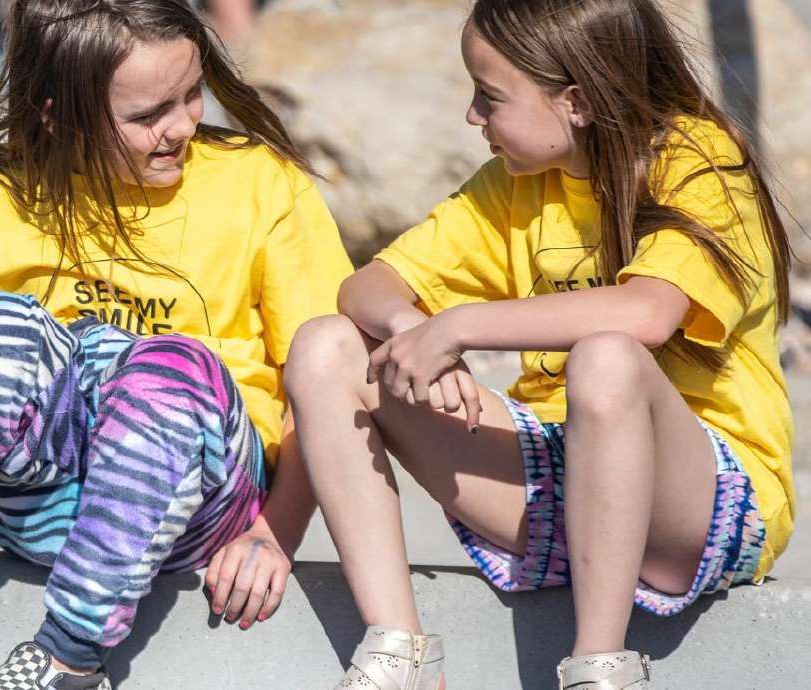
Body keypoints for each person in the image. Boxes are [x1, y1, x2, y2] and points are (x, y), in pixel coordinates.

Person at [0, 0, 353, 688]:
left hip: (195, 499)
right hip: (38, 502)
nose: (183, 125)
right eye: (148, 116)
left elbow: (320, 393)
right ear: (57, 114)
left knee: (166, 364)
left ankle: (71, 658)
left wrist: (275, 533)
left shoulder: (263, 189)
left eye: (191, 93)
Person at [284, 0, 794, 688]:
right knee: (327, 347)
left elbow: (648, 313)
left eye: (489, 97)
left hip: (701, 511)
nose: (472, 116)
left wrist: (457, 325)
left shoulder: (702, 160)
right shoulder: (515, 183)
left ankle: (598, 666)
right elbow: (367, 285)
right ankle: (402, 651)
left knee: (608, 357)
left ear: (577, 102)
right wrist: (413, 331)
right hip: (560, 489)